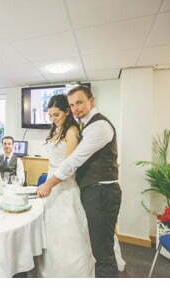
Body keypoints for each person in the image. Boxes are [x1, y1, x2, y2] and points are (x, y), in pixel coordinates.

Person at [36, 85, 123, 277]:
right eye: (72, 104)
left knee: (101, 248)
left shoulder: (98, 126)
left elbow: (73, 161)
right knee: (97, 241)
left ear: (91, 101)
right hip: (89, 189)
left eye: (80, 102)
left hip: (101, 191)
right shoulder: (85, 124)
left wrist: (49, 183)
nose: (76, 108)